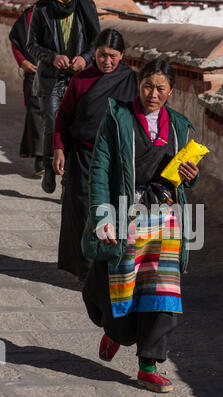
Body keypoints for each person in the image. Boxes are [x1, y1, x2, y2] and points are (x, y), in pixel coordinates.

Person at [82, 59, 200, 393]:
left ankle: (149, 364)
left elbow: (184, 178)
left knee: (162, 291)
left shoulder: (177, 125)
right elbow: (100, 170)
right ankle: (115, 332)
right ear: (139, 85)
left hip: (165, 217)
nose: (153, 94)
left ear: (171, 91)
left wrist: (191, 176)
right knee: (116, 285)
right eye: (148, 86)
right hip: (125, 213)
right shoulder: (117, 120)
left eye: (161, 88)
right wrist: (102, 216)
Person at [52, 29, 138, 280]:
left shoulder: (131, 81)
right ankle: (85, 269)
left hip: (116, 159)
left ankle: (110, 266)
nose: (107, 62)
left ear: (122, 55)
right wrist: (58, 148)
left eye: (113, 56)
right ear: (94, 52)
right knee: (82, 210)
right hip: (83, 156)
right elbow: (63, 117)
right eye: (102, 55)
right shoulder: (80, 80)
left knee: (112, 211)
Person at [27, 0, 100, 194]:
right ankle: (50, 165)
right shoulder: (42, 8)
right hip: (51, 79)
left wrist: (85, 58)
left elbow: (97, 42)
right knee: (52, 125)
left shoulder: (85, 6)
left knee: (74, 129)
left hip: (78, 79)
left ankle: (68, 178)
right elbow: (31, 44)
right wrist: (52, 58)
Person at [9, 3, 44, 176]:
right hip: (34, 72)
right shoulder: (30, 14)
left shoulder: (70, 15)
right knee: (36, 112)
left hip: (61, 72)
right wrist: (22, 62)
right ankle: (41, 156)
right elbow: (16, 41)